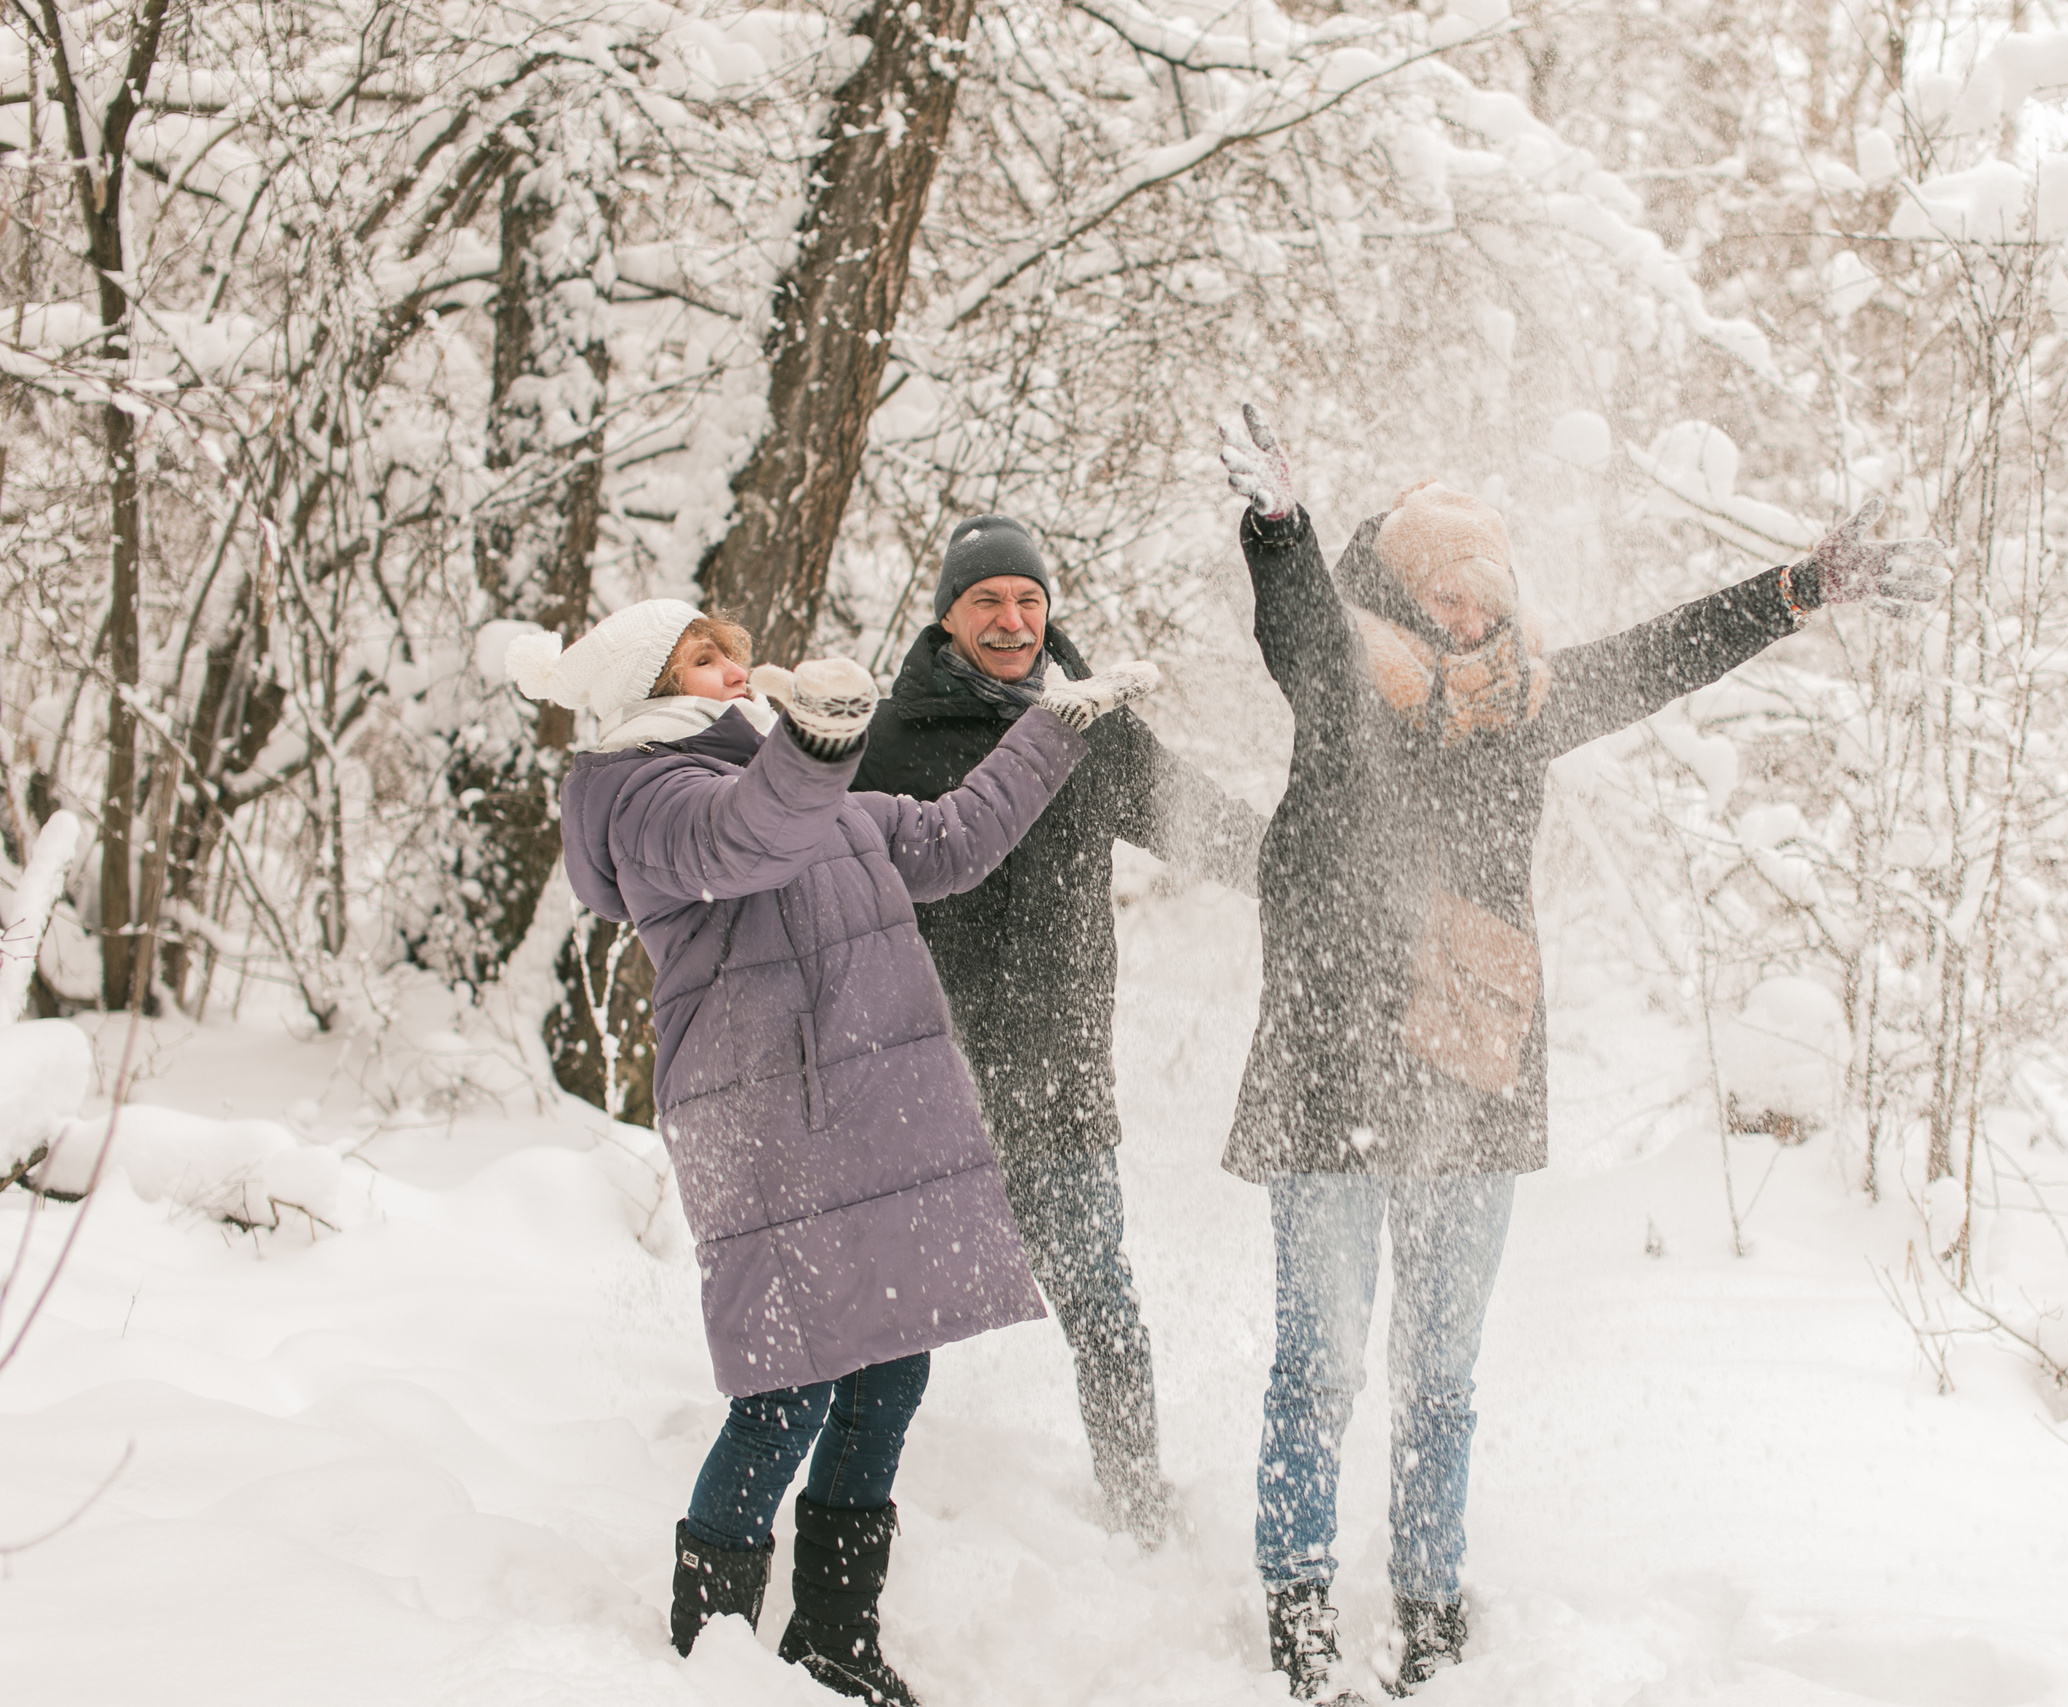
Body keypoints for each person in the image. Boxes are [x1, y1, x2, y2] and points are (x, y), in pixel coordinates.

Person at [1211, 405, 1949, 1703]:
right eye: (1442, 578)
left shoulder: (1526, 707)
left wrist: (1799, 588)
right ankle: (1298, 1601)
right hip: (1331, 1075)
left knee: (1439, 1376)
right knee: (1320, 1362)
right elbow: (1294, 624)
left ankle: (1432, 1602)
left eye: (1485, 580)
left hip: (1470, 1074)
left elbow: (1670, 652)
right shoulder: (1346, 687)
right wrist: (1281, 528)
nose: (1468, 601)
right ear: (1395, 583)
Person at [509, 597, 1160, 1704]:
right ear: (642, 690)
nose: (728, 665)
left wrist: (1055, 726)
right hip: (765, 1124)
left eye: (727, 648)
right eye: (699, 657)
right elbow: (743, 836)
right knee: (785, 1388)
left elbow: (951, 843)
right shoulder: (643, 799)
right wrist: (814, 744)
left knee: (890, 1368)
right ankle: (710, 1654)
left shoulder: (804, 793)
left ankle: (835, 1641)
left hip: (871, 1118)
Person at [854, 516, 1265, 1542]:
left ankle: (1136, 1512)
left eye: (1028, 601)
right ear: (946, 615)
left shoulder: (1093, 731)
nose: (1011, 619)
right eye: (987, 600)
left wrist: (1307, 870)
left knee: (1101, 1305)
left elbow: (1205, 824)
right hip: (929, 1078)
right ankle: (854, 1510)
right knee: (886, 1317)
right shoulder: (890, 741)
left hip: (1058, 1073)